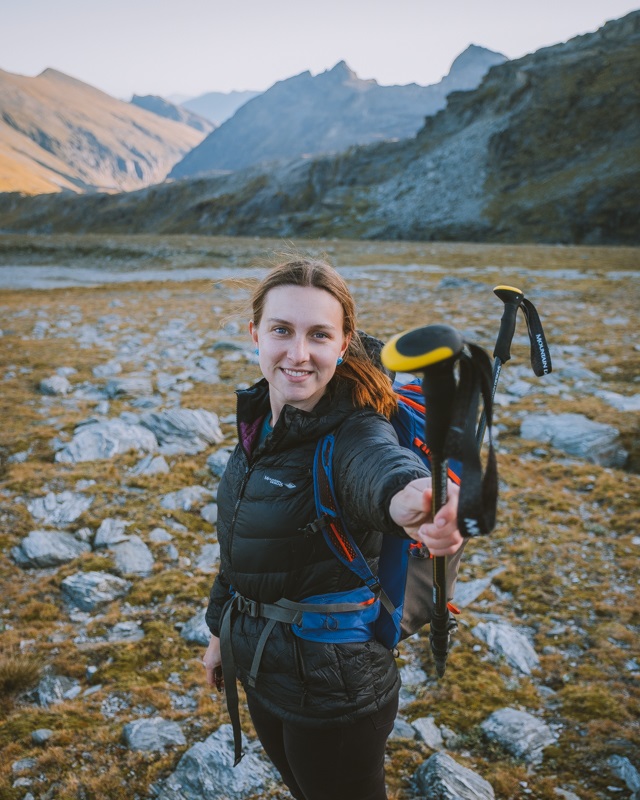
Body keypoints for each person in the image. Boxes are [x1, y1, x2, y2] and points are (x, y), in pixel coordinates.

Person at [203, 257, 463, 800]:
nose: (298, 354)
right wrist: (217, 635)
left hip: (336, 692)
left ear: (343, 344)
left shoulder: (355, 431)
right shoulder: (260, 423)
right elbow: (241, 544)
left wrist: (417, 502)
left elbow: (382, 472)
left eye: (319, 335)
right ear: (255, 334)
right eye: (282, 331)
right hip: (262, 666)